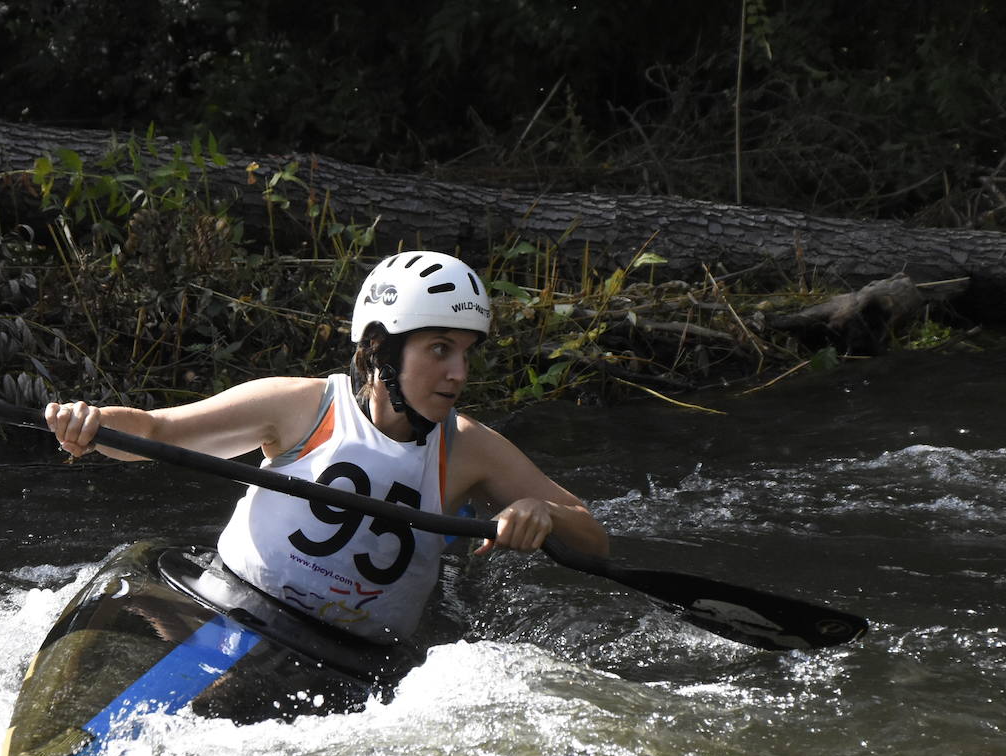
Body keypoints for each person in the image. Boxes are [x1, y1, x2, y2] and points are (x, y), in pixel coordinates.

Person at [45, 250, 609, 644]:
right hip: (230, 610)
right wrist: (91, 424)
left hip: (354, 657)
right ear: (380, 349)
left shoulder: (469, 449)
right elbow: (158, 433)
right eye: (439, 349)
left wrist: (544, 513)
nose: (458, 372)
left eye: (466, 353)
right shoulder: (299, 407)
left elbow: (592, 539)